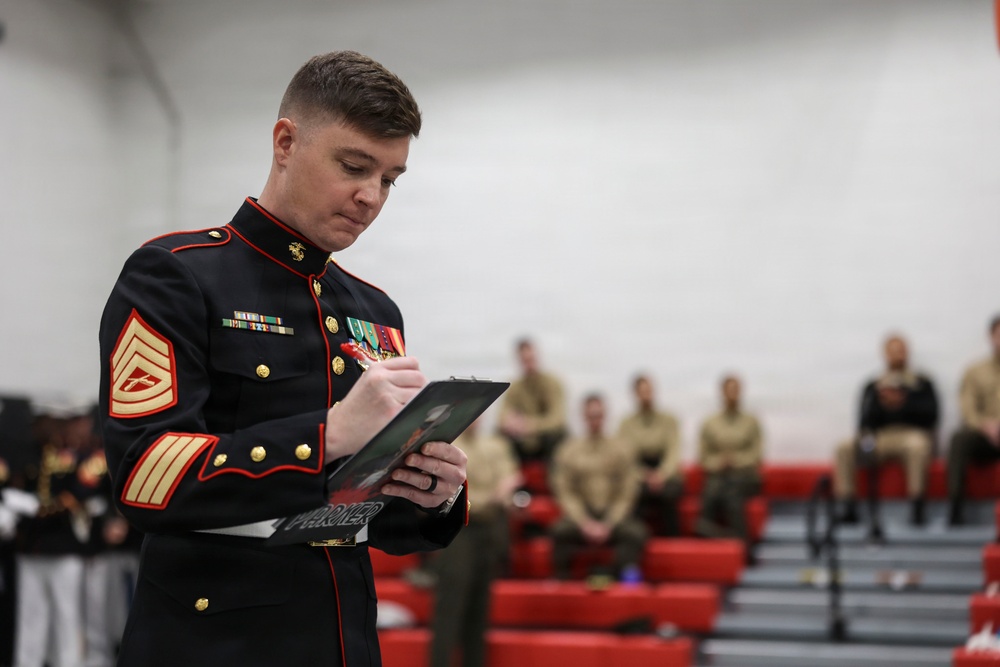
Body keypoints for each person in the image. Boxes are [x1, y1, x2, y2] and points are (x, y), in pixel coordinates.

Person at [98, 51, 469, 667]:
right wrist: (330, 435)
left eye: (390, 179)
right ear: (286, 142)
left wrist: (432, 493)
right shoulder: (176, 276)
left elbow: (374, 518)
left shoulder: (374, 311)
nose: (370, 196)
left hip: (342, 637)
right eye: (354, 166)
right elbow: (145, 475)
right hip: (216, 642)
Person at [428, 417, 521, 667]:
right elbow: (449, 492)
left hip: (489, 531)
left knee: (479, 613)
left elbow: (510, 479)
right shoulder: (446, 446)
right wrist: (489, 497)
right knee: (450, 611)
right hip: (458, 532)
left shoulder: (496, 445)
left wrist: (483, 497)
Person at [12, 402, 99, 667]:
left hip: (64, 546)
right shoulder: (28, 454)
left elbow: (80, 493)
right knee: (30, 614)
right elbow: (20, 485)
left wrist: (45, 507)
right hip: (33, 547)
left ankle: (70, 662)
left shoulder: (76, 455)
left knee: (67, 613)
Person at [833, 335, 938, 526]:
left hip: (910, 434)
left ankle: (917, 507)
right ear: (885, 354)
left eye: (901, 350)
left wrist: (904, 403)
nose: (898, 355)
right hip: (880, 437)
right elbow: (863, 421)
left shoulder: (922, 383)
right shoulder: (873, 385)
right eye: (893, 351)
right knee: (844, 447)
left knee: (917, 446)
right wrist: (882, 404)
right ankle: (848, 505)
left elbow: (931, 416)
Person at [550, 394, 647, 580]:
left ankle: (615, 578)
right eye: (591, 416)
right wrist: (583, 522)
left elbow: (627, 491)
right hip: (582, 515)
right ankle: (563, 584)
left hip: (613, 514)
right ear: (583, 416)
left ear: (605, 415)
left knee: (636, 533)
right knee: (559, 532)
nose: (595, 420)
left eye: (599, 415)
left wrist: (610, 523)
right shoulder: (568, 450)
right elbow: (565, 492)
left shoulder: (622, 448)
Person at [695, 375, 763, 545]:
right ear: (722, 392)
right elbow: (704, 456)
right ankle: (713, 538)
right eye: (729, 389)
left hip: (745, 476)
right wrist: (719, 463)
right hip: (719, 474)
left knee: (730, 492)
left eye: (736, 389)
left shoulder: (751, 421)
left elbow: (756, 454)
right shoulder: (710, 422)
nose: (733, 394)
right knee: (713, 490)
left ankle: (739, 544)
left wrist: (735, 461)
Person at [947, 316, 1000, 526]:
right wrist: (986, 426)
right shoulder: (975, 371)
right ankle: (955, 507)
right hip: (986, 436)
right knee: (959, 438)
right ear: (991, 337)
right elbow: (968, 409)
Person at [617, 374, 683, 536]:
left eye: (649, 391)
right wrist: (643, 475)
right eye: (642, 391)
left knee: (668, 494)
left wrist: (661, 474)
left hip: (665, 473)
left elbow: (673, 452)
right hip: (640, 474)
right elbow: (625, 458)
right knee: (634, 494)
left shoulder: (669, 420)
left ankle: (672, 540)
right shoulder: (626, 424)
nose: (647, 395)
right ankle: (637, 541)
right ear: (635, 394)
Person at [498, 339, 567, 463]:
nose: (529, 364)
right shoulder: (515, 387)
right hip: (522, 440)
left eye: (531, 359)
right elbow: (502, 415)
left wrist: (531, 425)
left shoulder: (552, 383)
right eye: (524, 361)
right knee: (500, 436)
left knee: (559, 435)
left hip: (546, 441)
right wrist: (510, 423)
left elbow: (558, 419)